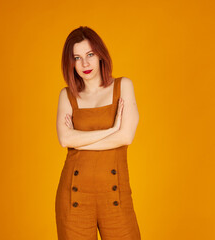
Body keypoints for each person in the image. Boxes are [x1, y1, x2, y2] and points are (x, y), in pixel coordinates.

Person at [55, 26, 141, 240]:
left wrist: (79, 141)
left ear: (100, 55)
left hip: (115, 199)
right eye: (77, 57)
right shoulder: (67, 95)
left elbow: (126, 137)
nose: (85, 64)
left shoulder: (123, 86)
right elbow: (65, 139)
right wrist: (111, 130)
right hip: (74, 198)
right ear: (71, 62)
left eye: (90, 55)